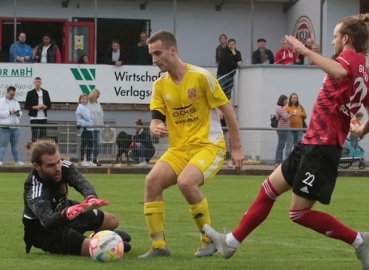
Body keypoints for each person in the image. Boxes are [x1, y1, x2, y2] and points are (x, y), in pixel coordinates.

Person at [204, 14, 369, 269]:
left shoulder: (348, 58)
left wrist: (303, 50)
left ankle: (360, 241)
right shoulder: (365, 69)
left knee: (298, 213)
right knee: (268, 189)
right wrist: (363, 130)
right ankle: (230, 242)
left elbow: (338, 70)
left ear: (346, 39)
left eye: (335, 36)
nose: (333, 41)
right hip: (312, 142)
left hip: (321, 147)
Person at [138, 30, 244, 259]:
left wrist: (236, 147)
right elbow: (155, 119)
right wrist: (154, 127)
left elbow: (228, 111)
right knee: (151, 182)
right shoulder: (159, 85)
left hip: (209, 146)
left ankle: (208, 239)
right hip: (179, 149)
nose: (154, 59)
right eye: (151, 55)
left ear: (172, 50)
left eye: (157, 53)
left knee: (186, 182)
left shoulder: (200, 77)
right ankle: (158, 246)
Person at [22, 140, 132, 256]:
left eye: (58, 161)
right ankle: (94, 241)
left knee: (112, 221)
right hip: (45, 231)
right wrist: (66, 213)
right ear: (37, 166)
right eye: (50, 165)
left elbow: (81, 182)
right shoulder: (34, 188)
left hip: (66, 210)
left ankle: (93, 238)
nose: (57, 168)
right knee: (101, 249)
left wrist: (91, 197)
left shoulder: (63, 166)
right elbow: (47, 220)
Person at [0, 86, 25, 166]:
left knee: (15, 145)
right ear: (6, 92)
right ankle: (0, 160)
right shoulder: (1, 102)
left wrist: (18, 113)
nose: (12, 96)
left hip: (15, 127)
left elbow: (20, 113)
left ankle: (17, 161)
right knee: (3, 145)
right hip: (4, 127)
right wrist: (9, 112)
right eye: (11, 94)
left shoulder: (16, 102)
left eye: (13, 95)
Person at [24, 77, 52, 142]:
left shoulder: (45, 92)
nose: (37, 83)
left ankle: (42, 150)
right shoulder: (30, 93)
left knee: (43, 135)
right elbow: (26, 106)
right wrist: (35, 107)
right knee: (34, 135)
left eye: (39, 82)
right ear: (34, 83)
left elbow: (49, 105)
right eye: (36, 82)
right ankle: (34, 150)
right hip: (34, 118)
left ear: (41, 83)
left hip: (43, 117)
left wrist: (45, 107)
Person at [76, 94, 95, 167]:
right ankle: (81, 160)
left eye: (86, 99)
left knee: (90, 144)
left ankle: (89, 160)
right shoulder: (80, 108)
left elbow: (92, 116)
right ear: (80, 100)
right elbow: (88, 117)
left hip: (89, 128)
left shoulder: (86, 107)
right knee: (84, 144)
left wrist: (90, 116)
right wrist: (90, 115)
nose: (84, 100)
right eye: (83, 99)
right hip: (84, 128)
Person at [87, 89, 104, 166]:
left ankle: (95, 159)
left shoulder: (98, 104)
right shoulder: (88, 104)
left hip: (98, 126)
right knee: (90, 143)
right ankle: (88, 159)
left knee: (97, 144)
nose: (98, 97)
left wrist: (102, 124)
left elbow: (101, 114)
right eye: (97, 96)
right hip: (91, 127)